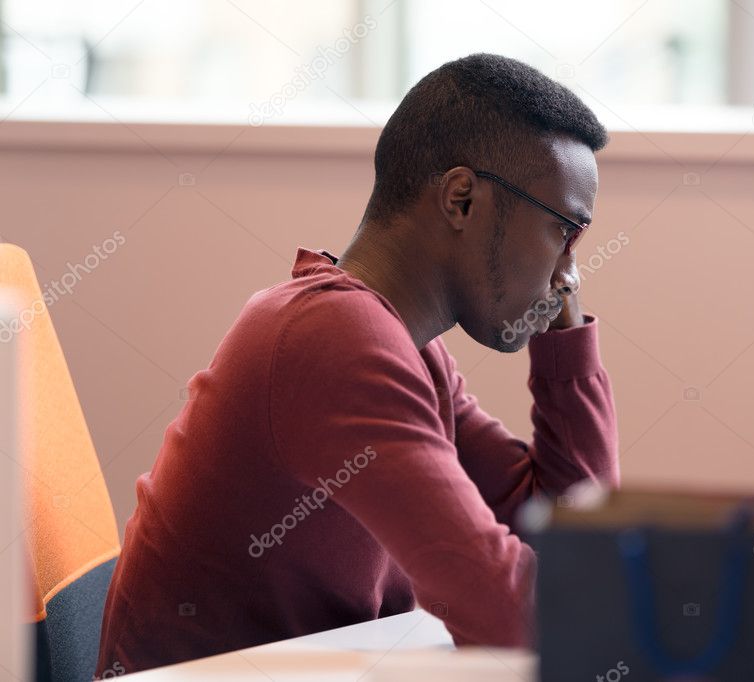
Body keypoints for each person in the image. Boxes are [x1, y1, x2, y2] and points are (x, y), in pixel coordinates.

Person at [96, 52, 619, 675]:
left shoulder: (407, 344)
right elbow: (507, 610)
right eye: (566, 231)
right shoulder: (336, 337)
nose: (568, 276)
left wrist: (565, 344)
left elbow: (570, 542)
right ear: (460, 200)